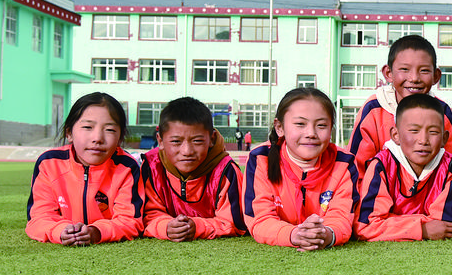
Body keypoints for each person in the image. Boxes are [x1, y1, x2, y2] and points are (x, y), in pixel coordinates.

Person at [244, 88, 359, 250]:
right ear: (279, 127)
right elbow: (260, 219)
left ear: (331, 129)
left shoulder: (344, 163)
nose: (311, 133)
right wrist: (293, 235)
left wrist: (326, 234)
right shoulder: (261, 158)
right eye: (300, 124)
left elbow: (342, 217)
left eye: (321, 125)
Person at [26, 92, 143, 245]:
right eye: (87, 127)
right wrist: (61, 231)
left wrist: (96, 232)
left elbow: (130, 221)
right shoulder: (49, 163)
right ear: (69, 133)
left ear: (120, 138)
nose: (98, 138)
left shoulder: (127, 167)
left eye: (110, 130)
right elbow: (38, 218)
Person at [348, 34, 452, 179]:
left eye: (424, 70)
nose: (414, 78)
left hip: (431, 191)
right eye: (404, 69)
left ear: (436, 76)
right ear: (388, 73)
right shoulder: (373, 109)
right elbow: (357, 168)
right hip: (379, 191)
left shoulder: (441, 111)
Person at [355, 94, 452, 242]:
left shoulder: (449, 168)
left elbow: (445, 227)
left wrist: (391, 223)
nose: (423, 140)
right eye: (414, 131)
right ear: (396, 135)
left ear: (444, 138)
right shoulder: (381, 166)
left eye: (433, 132)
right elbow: (366, 226)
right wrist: (422, 229)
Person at [140, 97, 246, 241]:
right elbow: (147, 214)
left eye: (197, 141)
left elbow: (234, 223)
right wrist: (165, 227)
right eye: (176, 141)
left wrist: (198, 227)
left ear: (212, 139)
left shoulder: (226, 171)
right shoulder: (152, 167)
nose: (187, 151)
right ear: (160, 141)